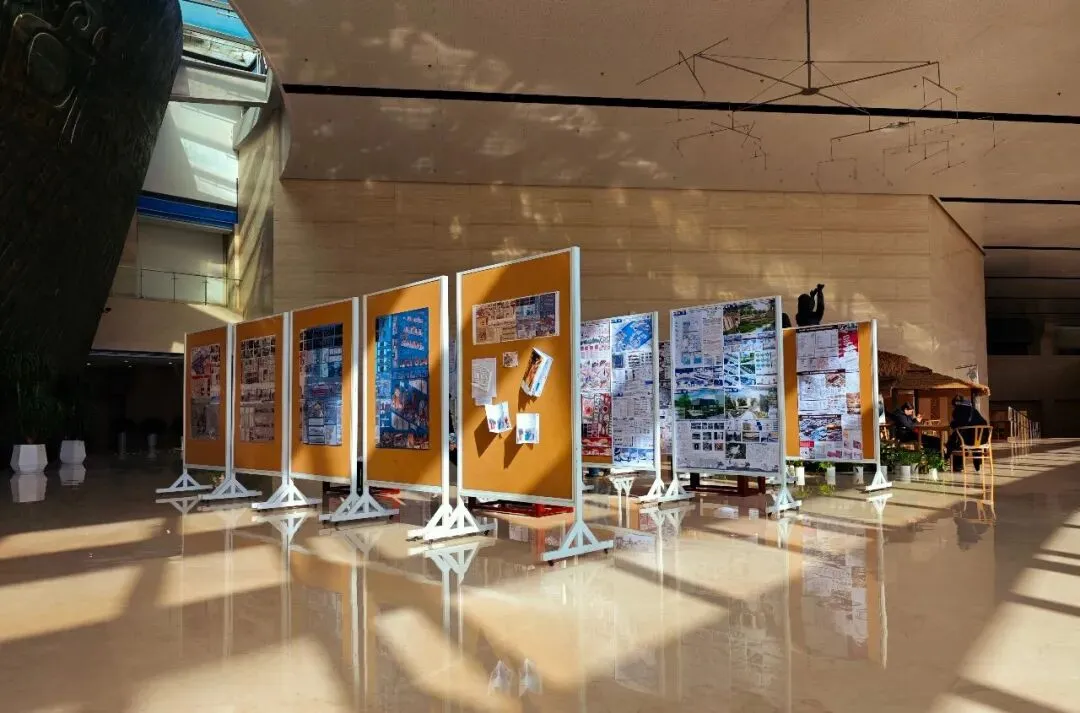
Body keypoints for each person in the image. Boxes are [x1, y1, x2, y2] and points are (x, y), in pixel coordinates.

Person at [947, 395, 988, 471]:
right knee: (962, 436)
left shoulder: (957, 411)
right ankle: (977, 462)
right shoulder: (973, 410)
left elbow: (958, 424)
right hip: (983, 440)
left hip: (970, 440)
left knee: (956, 440)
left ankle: (958, 465)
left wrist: (951, 424)